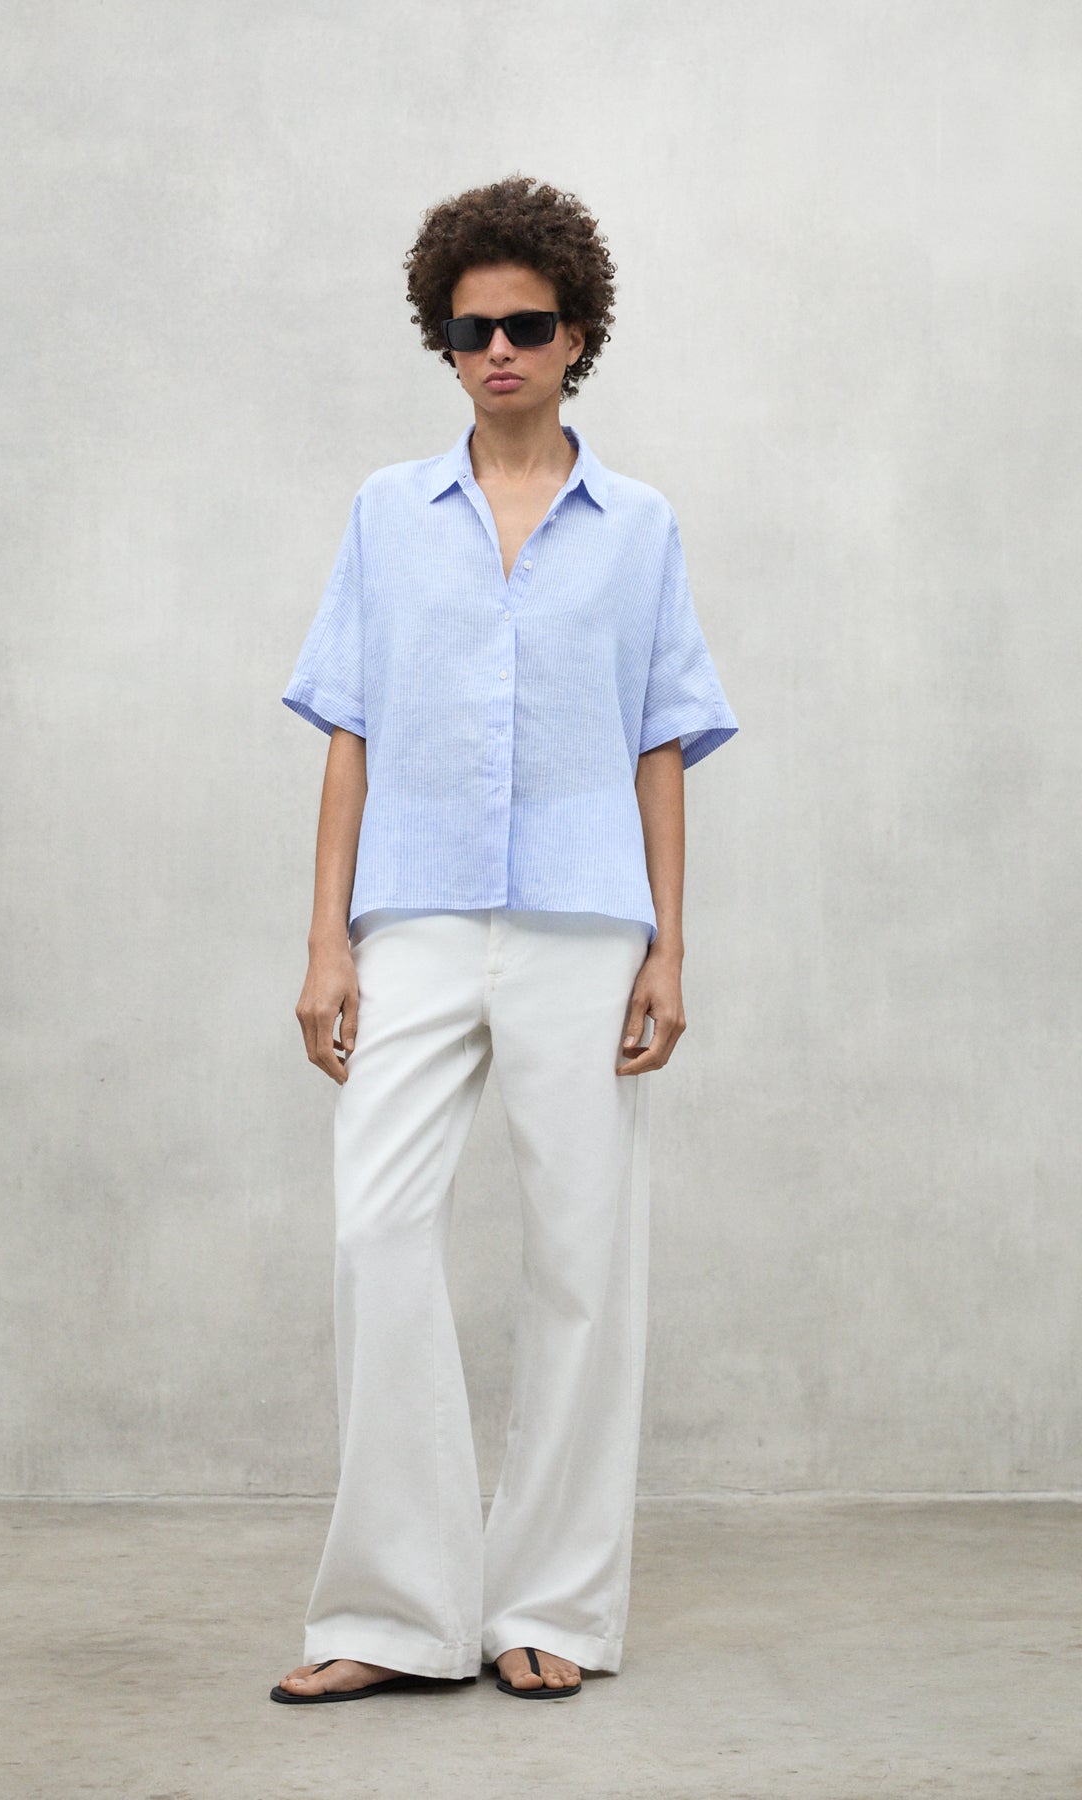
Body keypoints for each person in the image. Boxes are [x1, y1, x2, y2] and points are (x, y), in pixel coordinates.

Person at [271, 174, 738, 1705]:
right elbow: (347, 731)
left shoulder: (640, 527)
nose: (498, 353)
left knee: (585, 1260)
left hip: (585, 925)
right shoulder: (385, 513)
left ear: (576, 333)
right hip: (411, 914)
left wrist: (668, 948)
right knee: (377, 1228)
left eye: (526, 326)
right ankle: (394, 1613)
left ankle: (553, 1605)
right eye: (471, 331)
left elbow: (660, 742)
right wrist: (328, 941)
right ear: (444, 339)